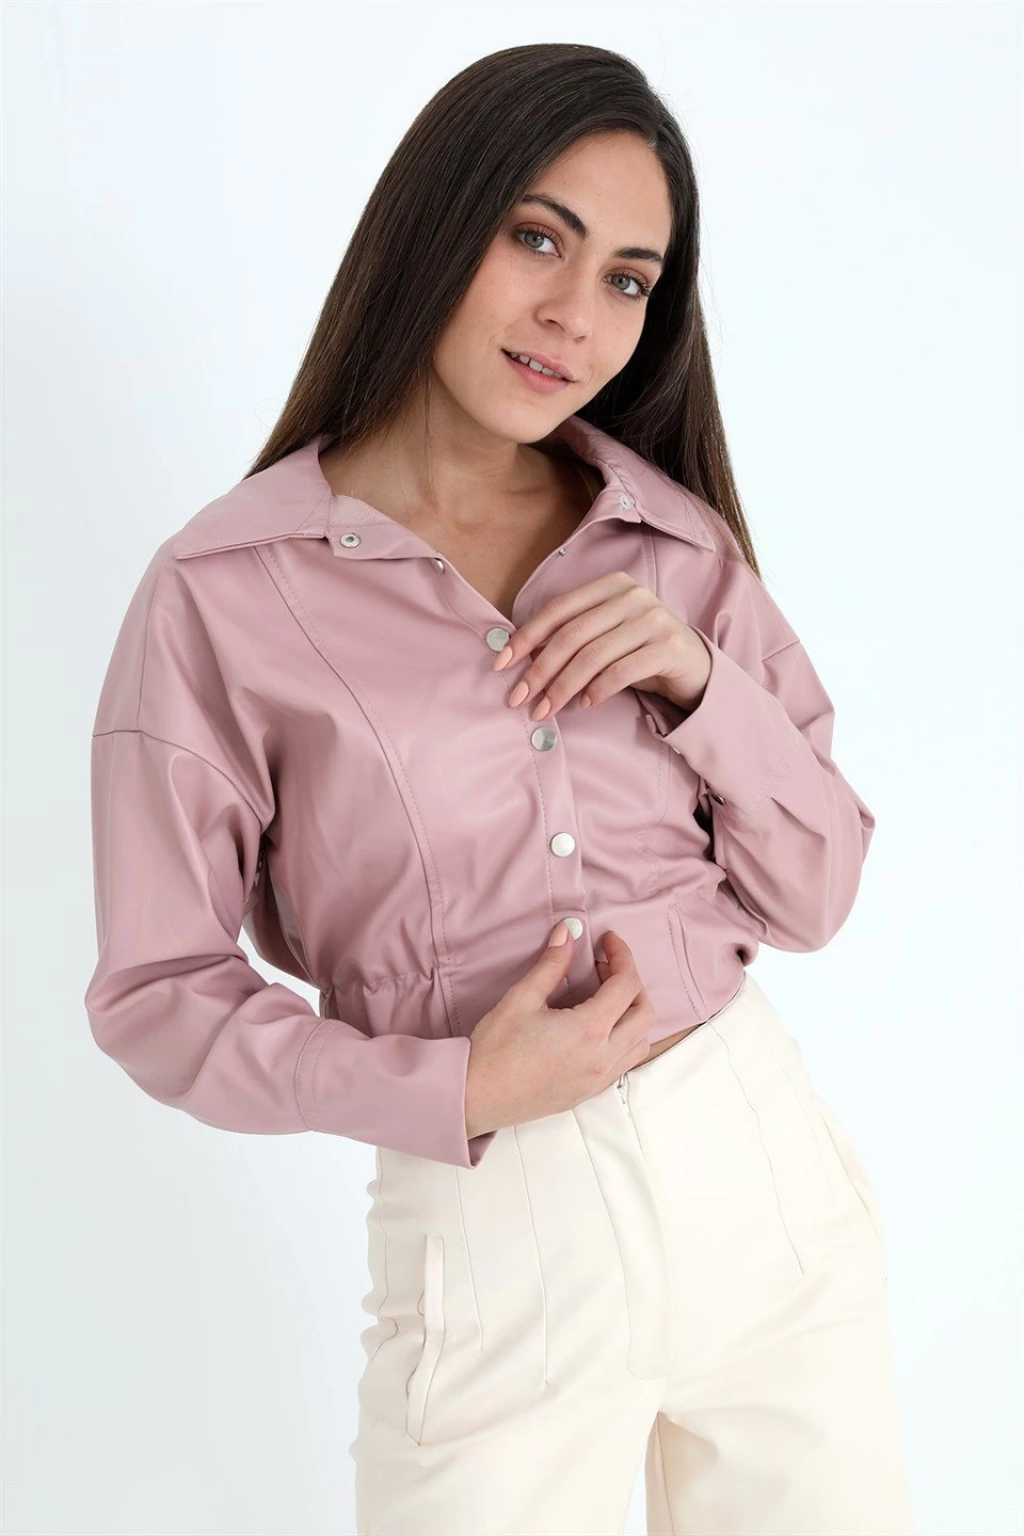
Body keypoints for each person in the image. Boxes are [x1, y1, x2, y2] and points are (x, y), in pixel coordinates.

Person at [83, 40, 914, 1536]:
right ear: (437, 223)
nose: (576, 316)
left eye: (628, 279)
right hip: (494, 1246)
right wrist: (451, 1089)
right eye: (538, 238)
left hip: (765, 1189)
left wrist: (700, 685)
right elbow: (158, 991)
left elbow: (818, 891)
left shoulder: (673, 547)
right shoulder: (224, 592)